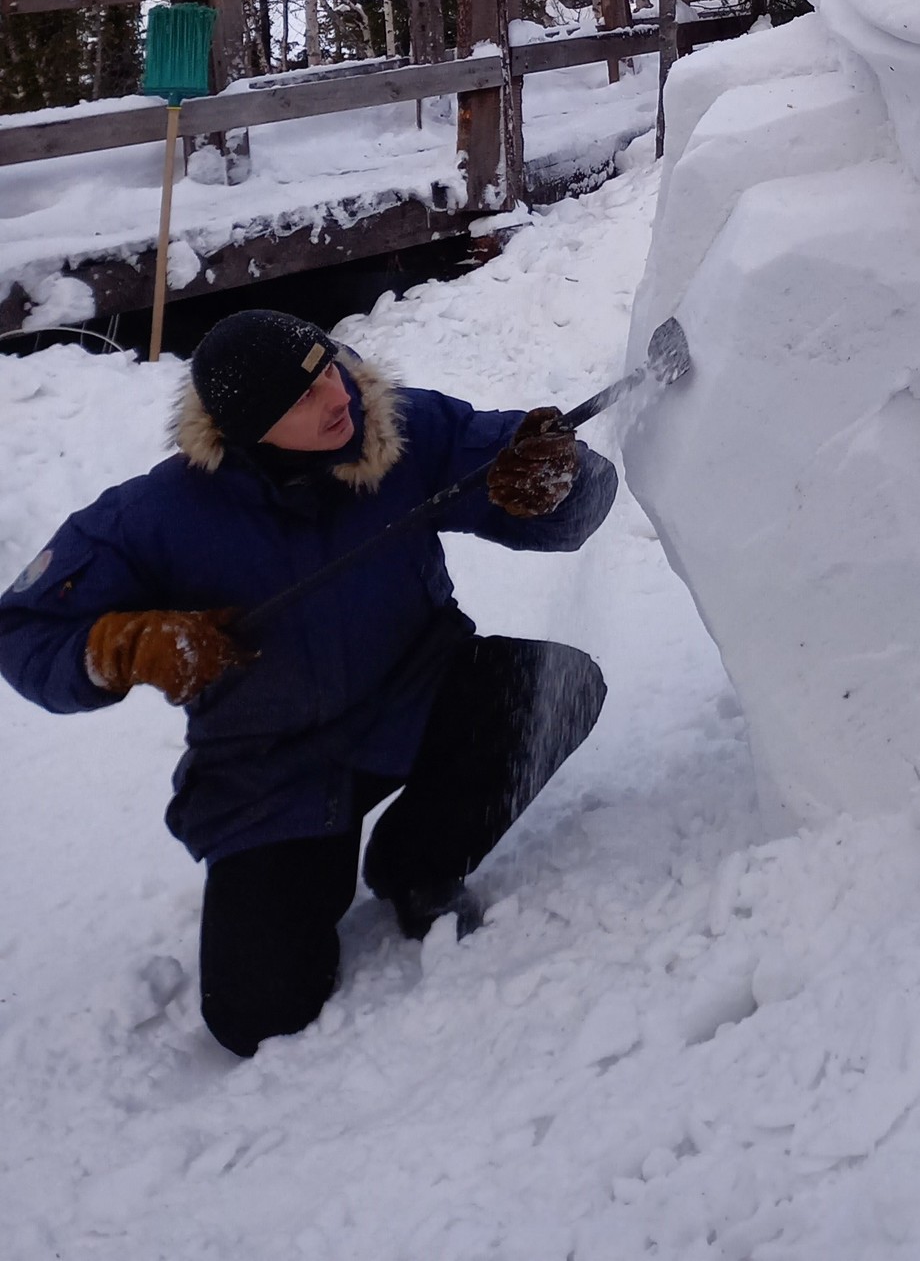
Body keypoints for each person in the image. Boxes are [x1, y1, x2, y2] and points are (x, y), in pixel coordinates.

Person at [0, 307, 617, 1058]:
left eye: (330, 368)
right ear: (247, 428)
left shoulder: (403, 433)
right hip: (273, 770)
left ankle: (417, 864)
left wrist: (558, 482)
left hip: (418, 696)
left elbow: (563, 489)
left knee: (559, 685)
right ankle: (308, 871)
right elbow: (24, 632)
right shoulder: (158, 516)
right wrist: (120, 647)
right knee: (257, 1016)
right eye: (303, 398)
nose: (338, 397)